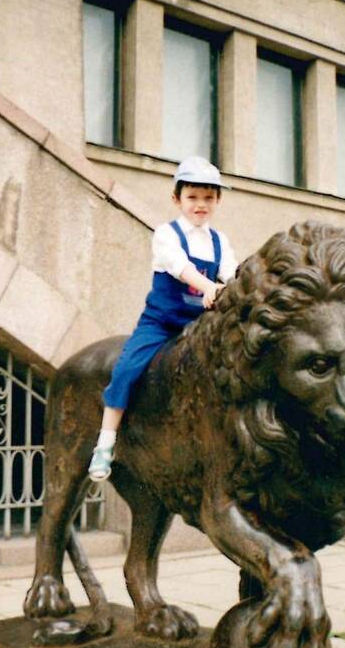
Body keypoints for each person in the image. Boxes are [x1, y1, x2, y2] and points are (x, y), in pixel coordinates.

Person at [88, 156, 238, 481]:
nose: (201, 205)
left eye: (208, 198)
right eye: (193, 197)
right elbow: (180, 267)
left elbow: (231, 275)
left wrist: (229, 288)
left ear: (217, 201)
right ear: (177, 199)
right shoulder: (166, 234)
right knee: (126, 368)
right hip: (161, 323)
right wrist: (209, 286)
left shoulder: (220, 241)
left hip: (199, 327)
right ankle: (106, 441)